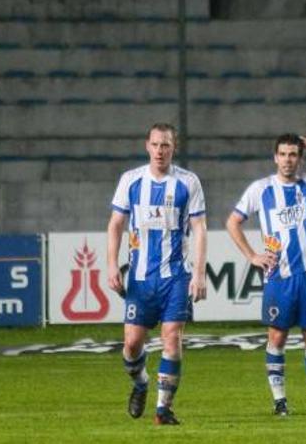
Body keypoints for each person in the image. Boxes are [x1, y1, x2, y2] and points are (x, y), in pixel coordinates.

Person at [226, 133, 306, 417]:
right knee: (277, 338)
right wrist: (252, 256)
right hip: (279, 277)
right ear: (275, 157)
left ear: (299, 158)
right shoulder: (260, 189)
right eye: (283, 154)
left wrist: (302, 139)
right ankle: (280, 402)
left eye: (293, 154)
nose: (288, 160)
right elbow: (233, 222)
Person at [107, 123, 207, 425]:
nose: (160, 151)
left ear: (173, 147)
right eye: (155, 145)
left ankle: (164, 409)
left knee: (172, 338)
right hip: (140, 278)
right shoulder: (131, 181)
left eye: (166, 145)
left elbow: (199, 228)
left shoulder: (188, 182)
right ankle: (140, 384)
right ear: (147, 146)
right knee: (132, 344)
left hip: (175, 276)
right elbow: (115, 225)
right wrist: (112, 264)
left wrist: (199, 273)